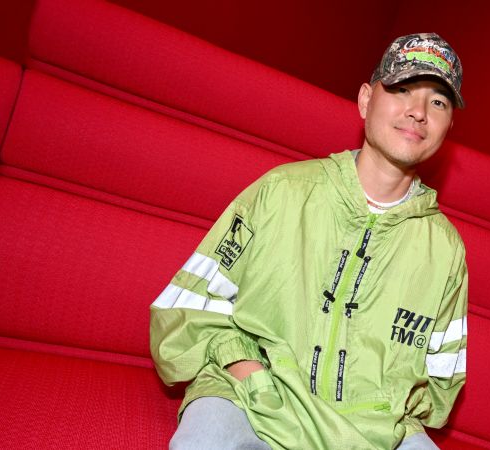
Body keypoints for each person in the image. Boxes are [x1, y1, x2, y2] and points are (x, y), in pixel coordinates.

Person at [150, 32, 468, 450]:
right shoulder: (281, 190)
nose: (419, 112)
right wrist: (247, 371)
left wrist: (383, 407)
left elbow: (441, 383)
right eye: (402, 89)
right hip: (251, 402)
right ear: (366, 100)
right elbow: (187, 308)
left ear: (447, 127)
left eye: (438, 102)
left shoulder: (445, 250)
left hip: (371, 433)